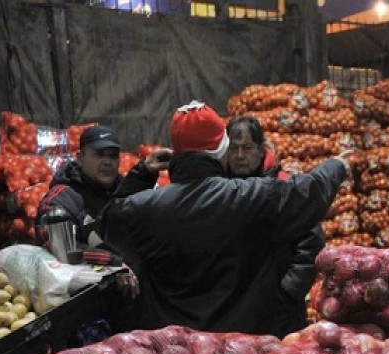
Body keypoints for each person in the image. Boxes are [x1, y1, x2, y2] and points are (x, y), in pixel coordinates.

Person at [96, 101, 349, 334]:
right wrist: (337, 165)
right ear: (222, 149)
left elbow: (108, 222)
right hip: (244, 341)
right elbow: (310, 191)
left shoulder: (143, 209)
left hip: (176, 346)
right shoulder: (253, 196)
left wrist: (141, 173)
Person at [35, 125, 171, 298]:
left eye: (113, 156)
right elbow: (63, 250)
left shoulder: (120, 191)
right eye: (99, 155)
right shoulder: (61, 199)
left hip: (130, 297)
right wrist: (112, 263)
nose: (107, 162)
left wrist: (145, 171)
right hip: (82, 300)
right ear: (80, 157)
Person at [224, 115, 324, 337]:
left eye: (247, 148)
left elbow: (311, 243)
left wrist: (288, 291)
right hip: (232, 310)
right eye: (234, 148)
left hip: (279, 311)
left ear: (261, 150)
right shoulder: (219, 189)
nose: (240, 156)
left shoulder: (285, 185)